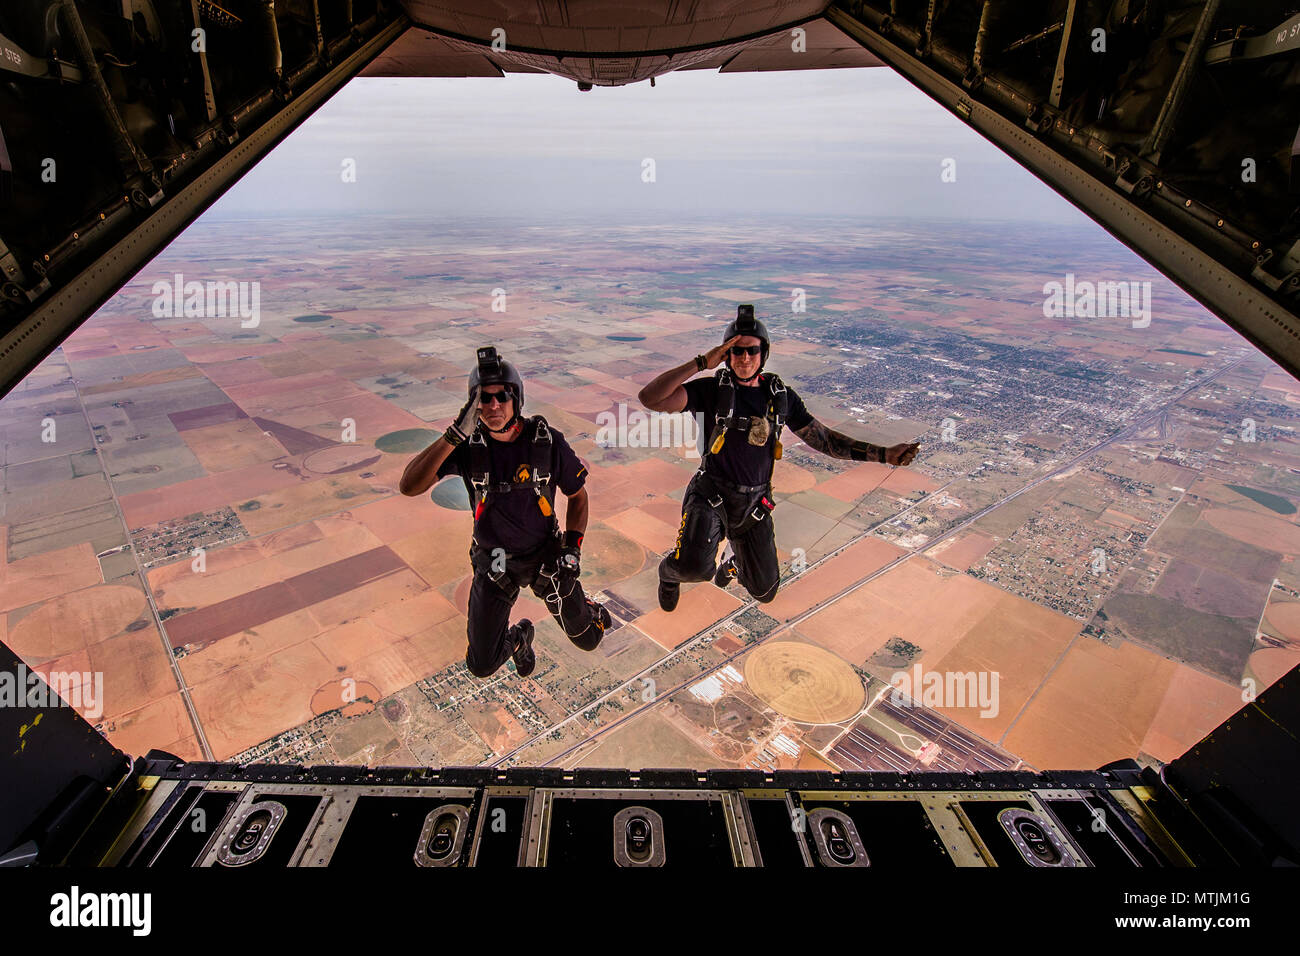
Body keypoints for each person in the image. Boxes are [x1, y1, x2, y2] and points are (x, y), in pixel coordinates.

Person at [638, 305, 920, 611]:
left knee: (765, 592)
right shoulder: (711, 391)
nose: (745, 358)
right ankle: (668, 574)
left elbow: (825, 440)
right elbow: (651, 398)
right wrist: (702, 362)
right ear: (726, 355)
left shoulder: (780, 397)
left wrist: (883, 455)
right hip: (712, 495)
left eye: (753, 351)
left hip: (754, 505)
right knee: (695, 568)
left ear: (764, 354)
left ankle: (734, 562)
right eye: (737, 351)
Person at [399, 346, 610, 678]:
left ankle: (591, 610)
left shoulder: (547, 442)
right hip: (495, 560)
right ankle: (519, 640)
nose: (494, 405)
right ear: (473, 405)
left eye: (502, 396)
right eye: (484, 398)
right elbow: (410, 485)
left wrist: (572, 550)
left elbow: (578, 497)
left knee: (589, 638)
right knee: (481, 664)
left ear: (517, 399)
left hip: (545, 556)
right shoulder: (468, 448)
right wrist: (454, 434)